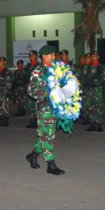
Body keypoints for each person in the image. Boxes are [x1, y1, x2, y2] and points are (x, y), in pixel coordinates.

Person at [25, 45, 65, 175]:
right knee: (48, 135)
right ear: (44, 56)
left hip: (55, 107)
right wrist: (47, 94)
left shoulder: (55, 69)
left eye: (54, 54)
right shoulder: (39, 71)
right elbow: (31, 91)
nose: (54, 57)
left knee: (46, 134)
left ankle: (33, 155)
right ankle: (51, 164)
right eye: (51, 55)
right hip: (45, 107)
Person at [0, 56, 12, 127]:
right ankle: (1, 120)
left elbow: (9, 83)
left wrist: (6, 92)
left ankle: (5, 121)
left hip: (3, 92)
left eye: (1, 62)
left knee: (5, 107)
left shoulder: (7, 71)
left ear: (4, 62)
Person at [23, 50, 40, 128]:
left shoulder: (39, 66)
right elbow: (23, 75)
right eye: (30, 56)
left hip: (37, 88)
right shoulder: (27, 66)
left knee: (37, 105)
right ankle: (32, 121)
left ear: (37, 56)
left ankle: (37, 122)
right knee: (31, 105)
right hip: (29, 87)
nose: (31, 57)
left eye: (33, 55)